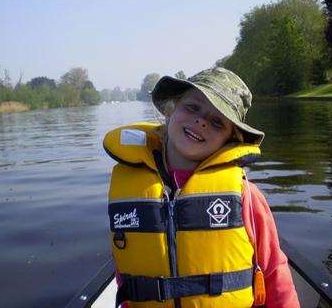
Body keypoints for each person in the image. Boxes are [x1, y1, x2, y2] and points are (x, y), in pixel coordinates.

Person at [103, 67, 300, 308]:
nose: (201, 122)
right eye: (192, 107)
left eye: (217, 122)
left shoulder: (246, 196)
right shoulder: (128, 190)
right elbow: (125, 272)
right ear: (171, 109)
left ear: (230, 139)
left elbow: (274, 272)